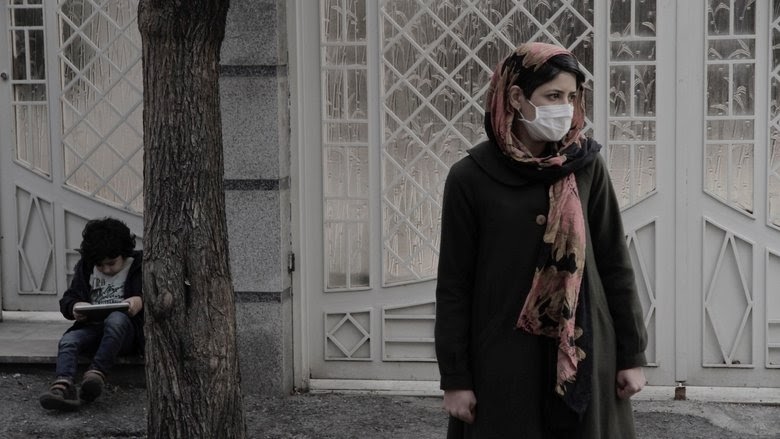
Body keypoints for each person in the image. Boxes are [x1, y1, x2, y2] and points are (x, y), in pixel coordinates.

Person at [434, 42, 648, 438]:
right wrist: (456, 378)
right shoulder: (470, 178)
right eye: (552, 96)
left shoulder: (586, 167)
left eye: (571, 97)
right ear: (516, 97)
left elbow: (615, 263)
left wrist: (631, 354)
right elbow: (454, 285)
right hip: (503, 362)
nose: (565, 108)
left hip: (585, 353)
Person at [39, 217, 143, 411]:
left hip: (124, 334)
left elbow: (154, 297)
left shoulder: (138, 265)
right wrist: (75, 307)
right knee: (69, 340)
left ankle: (96, 374)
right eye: (100, 265)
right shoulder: (87, 266)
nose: (106, 269)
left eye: (111, 263)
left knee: (116, 319)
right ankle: (63, 386)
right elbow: (69, 298)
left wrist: (139, 301)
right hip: (92, 327)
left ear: (124, 253)